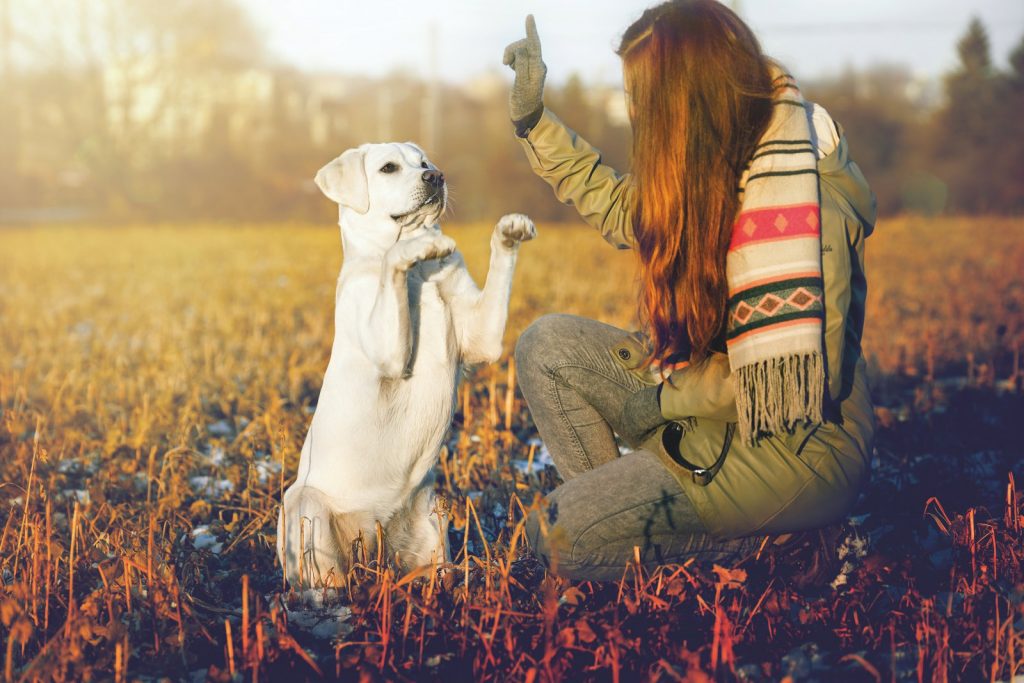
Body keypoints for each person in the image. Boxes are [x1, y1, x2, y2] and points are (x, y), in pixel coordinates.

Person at [502, 0, 876, 582]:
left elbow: (789, 379)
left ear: (688, 93)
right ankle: (624, 519)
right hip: (704, 406)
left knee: (556, 540)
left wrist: (659, 402)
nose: (633, 110)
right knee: (548, 346)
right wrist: (534, 123)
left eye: (642, 94)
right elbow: (627, 209)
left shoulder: (801, 200)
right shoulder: (714, 160)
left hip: (789, 447)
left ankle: (783, 549)